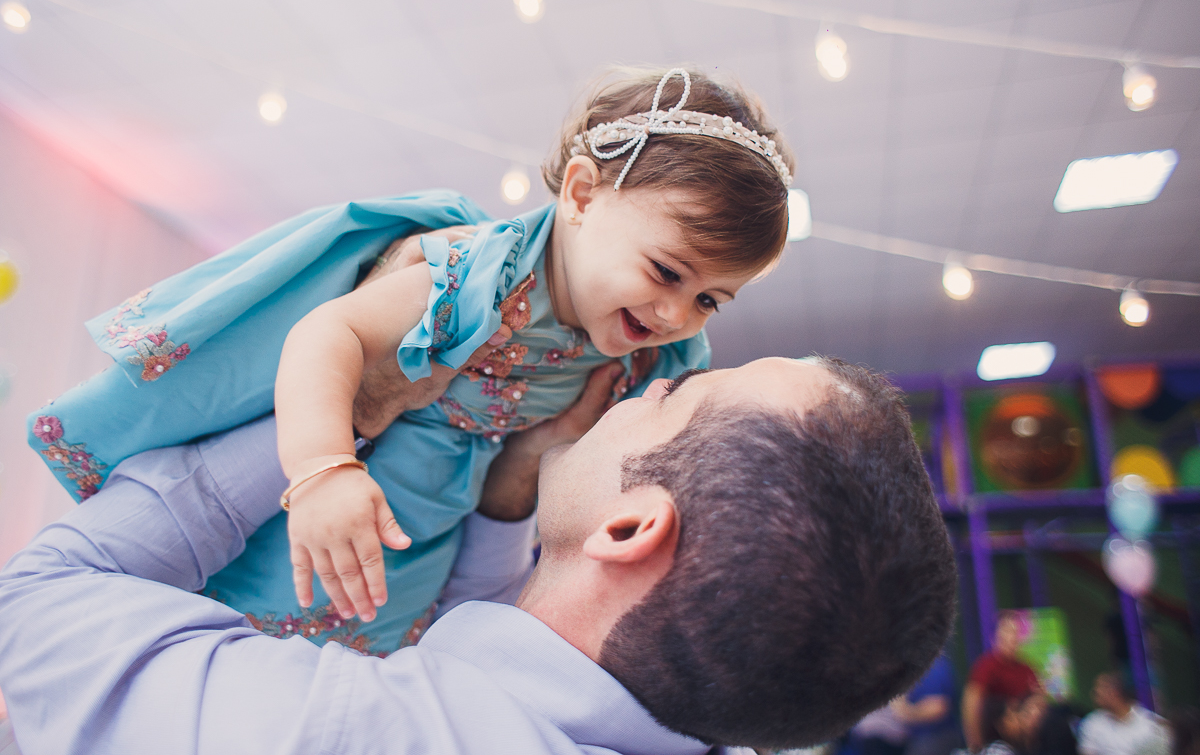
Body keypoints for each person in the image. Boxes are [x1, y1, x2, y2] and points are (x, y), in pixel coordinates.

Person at [25, 66, 793, 655]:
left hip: (427, 537)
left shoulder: (644, 362)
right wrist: (323, 470)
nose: (676, 315)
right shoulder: (477, 274)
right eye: (666, 272)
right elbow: (328, 335)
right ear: (583, 195)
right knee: (228, 620)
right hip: (327, 491)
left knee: (356, 658)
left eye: (710, 299)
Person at [1, 356, 959, 753]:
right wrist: (508, 499)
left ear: (631, 527)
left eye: (676, 397)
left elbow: (39, 604)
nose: (644, 388)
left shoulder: (336, 733)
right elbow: (496, 682)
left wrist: (343, 418)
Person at [964, 612, 1044, 750]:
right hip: (994, 740)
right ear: (995, 637)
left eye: (1014, 633)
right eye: (1006, 632)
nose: (1011, 638)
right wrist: (975, 745)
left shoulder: (1027, 668)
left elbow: (1040, 698)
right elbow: (971, 704)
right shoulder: (986, 667)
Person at [1077, 672, 1171, 755]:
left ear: (1114, 692)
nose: (1094, 693)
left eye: (1099, 689)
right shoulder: (1091, 723)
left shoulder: (1151, 723)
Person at [894, 653, 964, 755]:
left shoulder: (932, 666)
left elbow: (940, 706)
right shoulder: (917, 667)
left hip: (936, 737)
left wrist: (908, 712)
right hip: (920, 739)